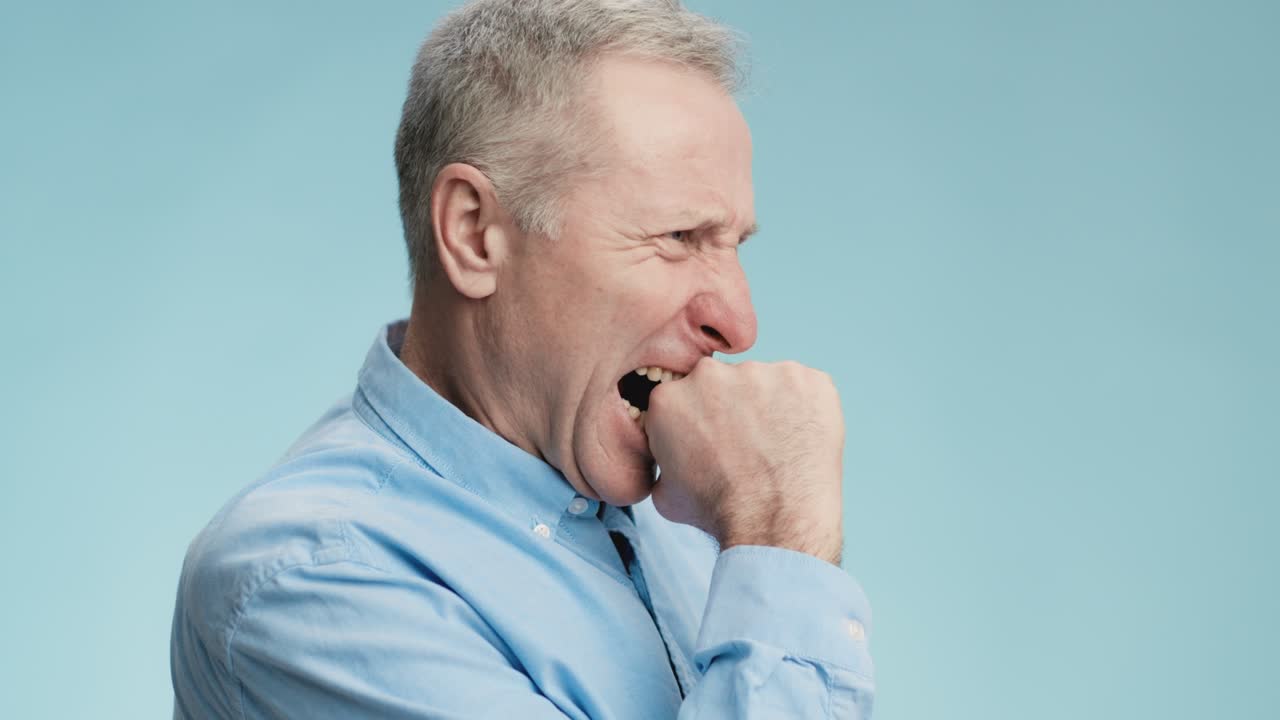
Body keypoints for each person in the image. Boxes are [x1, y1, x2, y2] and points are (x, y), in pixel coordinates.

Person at [169, 1, 875, 717]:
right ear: (475, 234)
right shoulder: (314, 580)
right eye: (678, 236)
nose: (739, 323)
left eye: (733, 244)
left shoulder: (678, 514)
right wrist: (780, 536)